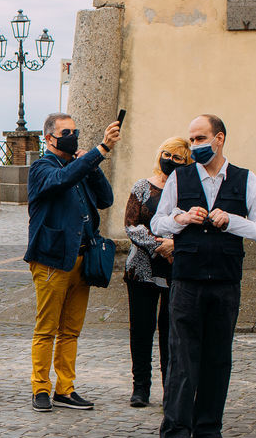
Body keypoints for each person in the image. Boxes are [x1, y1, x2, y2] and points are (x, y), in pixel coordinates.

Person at [151, 114, 256, 438]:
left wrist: (232, 221)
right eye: (192, 140)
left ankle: (208, 428)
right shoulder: (180, 177)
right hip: (187, 279)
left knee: (218, 357)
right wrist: (182, 218)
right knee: (183, 357)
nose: (195, 146)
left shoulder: (246, 180)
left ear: (219, 139)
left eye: (201, 138)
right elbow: (159, 220)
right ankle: (175, 430)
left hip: (225, 279)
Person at [24, 113, 119, 412]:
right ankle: (40, 387)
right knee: (46, 328)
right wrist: (98, 151)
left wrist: (92, 166)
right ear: (50, 138)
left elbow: (105, 199)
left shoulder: (80, 167)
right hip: (52, 259)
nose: (73, 136)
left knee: (71, 331)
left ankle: (65, 388)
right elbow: (60, 181)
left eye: (75, 131)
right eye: (67, 132)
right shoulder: (42, 167)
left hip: (82, 258)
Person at [123, 137, 192, 407]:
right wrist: (158, 245)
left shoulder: (187, 189)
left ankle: (170, 386)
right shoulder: (142, 187)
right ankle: (140, 386)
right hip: (142, 269)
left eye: (178, 158)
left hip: (176, 268)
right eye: (167, 155)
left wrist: (174, 246)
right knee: (141, 329)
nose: (171, 161)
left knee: (170, 331)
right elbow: (131, 224)